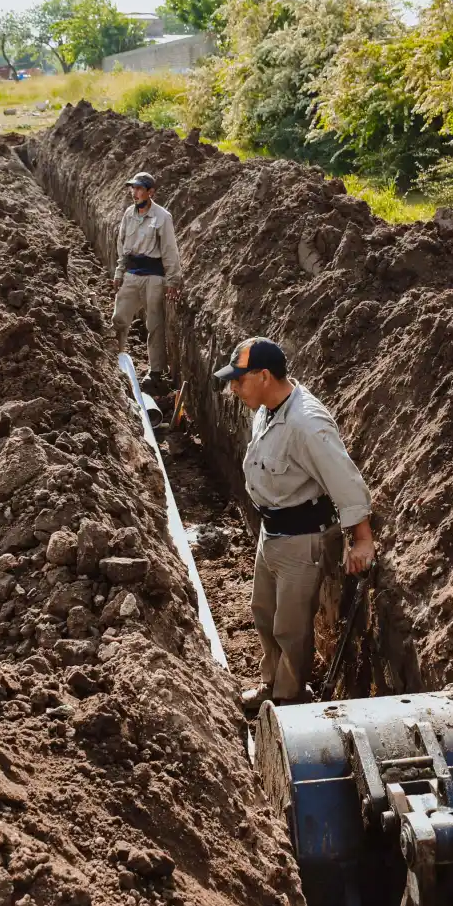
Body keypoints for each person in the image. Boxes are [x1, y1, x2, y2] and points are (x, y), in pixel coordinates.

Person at [214, 337, 375, 711]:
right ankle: (272, 681)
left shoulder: (307, 424)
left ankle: (289, 697)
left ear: (264, 375)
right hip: (272, 531)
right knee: (264, 610)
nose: (233, 388)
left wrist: (362, 539)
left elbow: (345, 480)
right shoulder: (267, 409)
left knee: (291, 625)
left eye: (239, 380)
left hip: (303, 539)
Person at [112, 171, 180, 393]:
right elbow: (121, 246)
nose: (135, 193)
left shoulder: (162, 217)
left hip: (154, 278)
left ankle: (156, 373)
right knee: (119, 319)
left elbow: (170, 250)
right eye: (133, 188)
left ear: (151, 192)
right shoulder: (128, 215)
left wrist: (173, 280)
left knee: (154, 325)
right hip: (132, 275)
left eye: (140, 189)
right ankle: (115, 363)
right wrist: (119, 272)